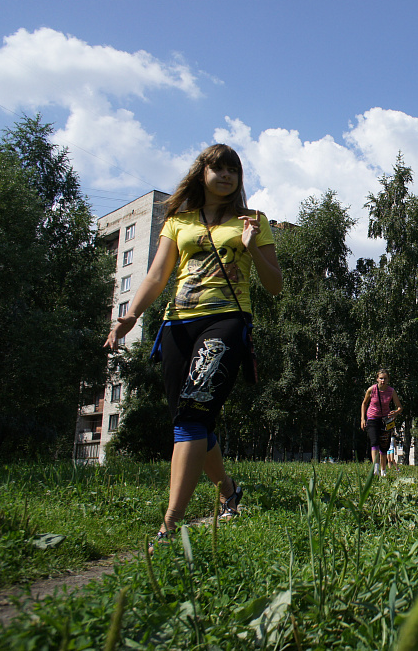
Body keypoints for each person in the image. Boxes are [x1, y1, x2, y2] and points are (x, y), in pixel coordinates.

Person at [105, 144, 282, 547]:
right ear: (201, 172)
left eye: (233, 170)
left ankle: (169, 526)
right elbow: (155, 276)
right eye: (217, 168)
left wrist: (253, 245)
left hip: (226, 320)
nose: (226, 176)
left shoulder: (253, 221)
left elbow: (275, 285)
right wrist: (131, 316)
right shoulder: (177, 221)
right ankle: (229, 491)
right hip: (177, 325)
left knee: (190, 419)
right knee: (190, 422)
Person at [360, 369, 402, 476]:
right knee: (374, 443)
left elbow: (400, 407)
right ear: (377, 379)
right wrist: (362, 419)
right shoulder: (372, 390)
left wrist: (395, 413)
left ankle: (383, 471)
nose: (383, 380)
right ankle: (376, 470)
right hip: (372, 418)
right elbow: (364, 403)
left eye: (385, 378)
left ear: (388, 379)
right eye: (381, 378)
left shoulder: (391, 391)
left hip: (385, 420)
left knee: (384, 446)